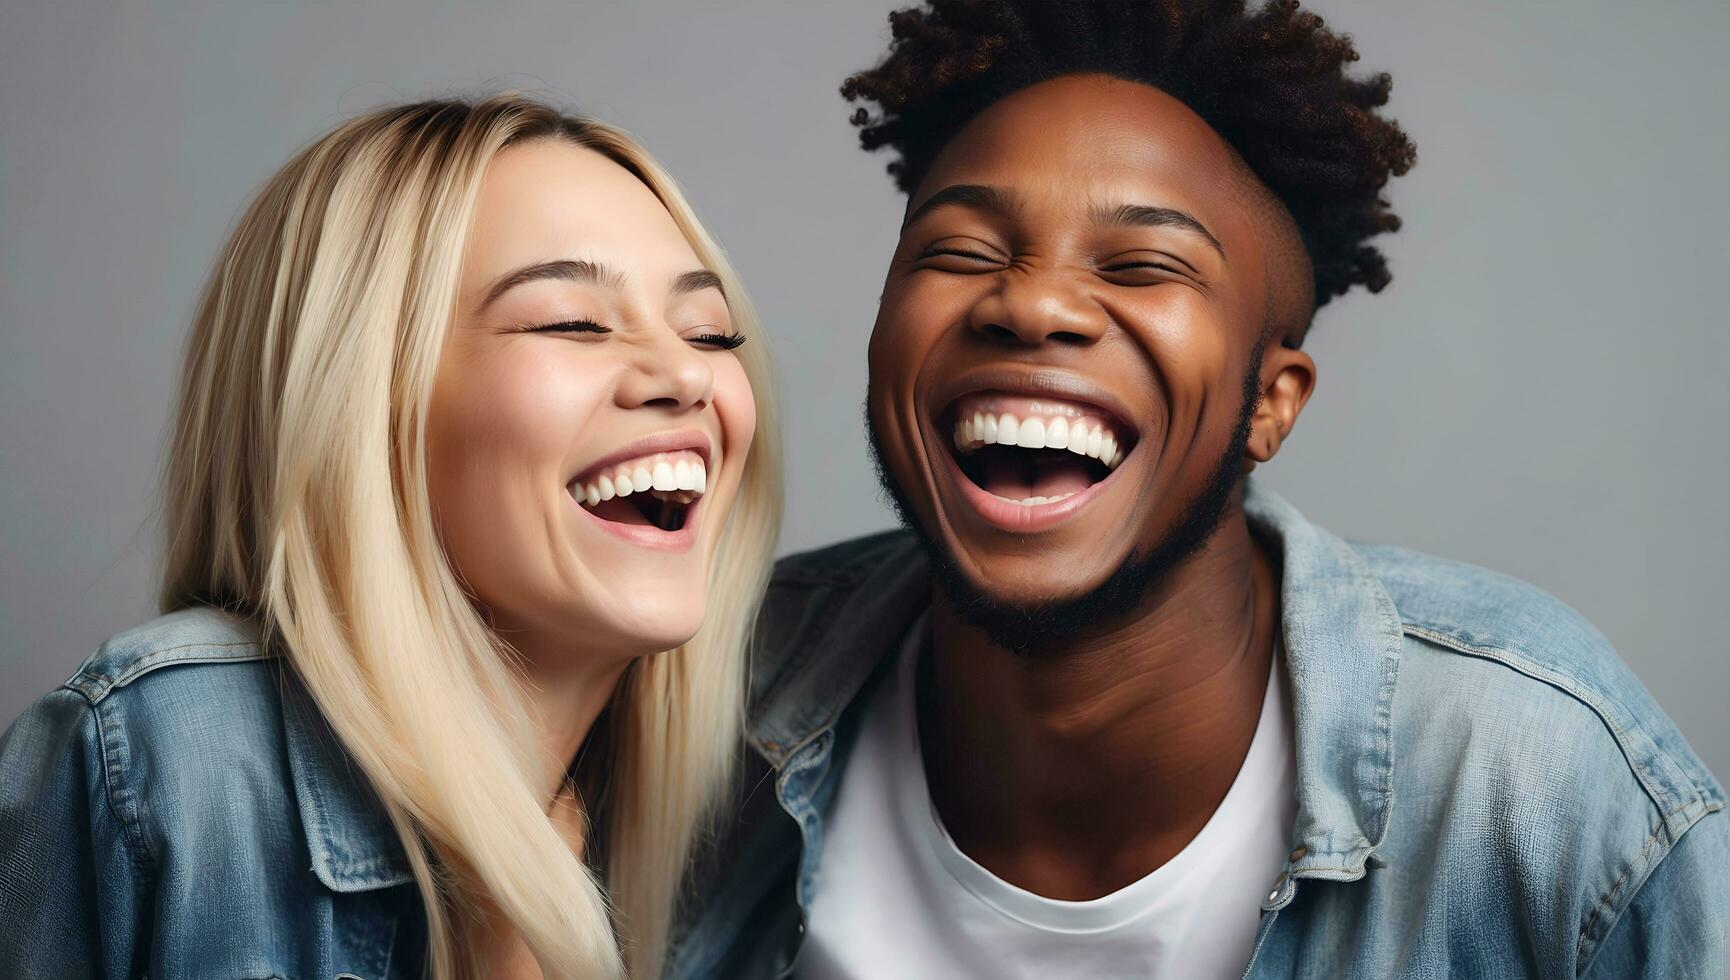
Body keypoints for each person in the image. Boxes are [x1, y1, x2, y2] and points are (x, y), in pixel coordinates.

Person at [668, 2, 1728, 978]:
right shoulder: (695, 700)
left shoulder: (1527, 770)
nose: (1031, 303)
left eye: (1140, 266)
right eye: (959, 249)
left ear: (1270, 401)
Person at [0, 94, 781, 979]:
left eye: (711, 332)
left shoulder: (754, 836)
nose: (686, 374)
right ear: (357, 408)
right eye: (573, 321)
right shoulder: (173, 758)